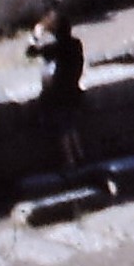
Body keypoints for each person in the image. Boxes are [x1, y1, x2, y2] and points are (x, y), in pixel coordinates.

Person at [32, 9, 87, 172]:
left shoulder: (54, 48)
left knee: (63, 129)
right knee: (71, 126)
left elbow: (30, 52)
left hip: (57, 95)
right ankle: (80, 155)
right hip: (73, 90)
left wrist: (36, 36)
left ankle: (70, 160)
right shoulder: (75, 44)